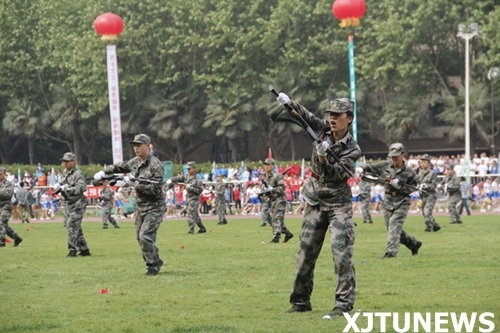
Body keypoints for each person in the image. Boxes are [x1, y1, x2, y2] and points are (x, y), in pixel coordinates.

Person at [277, 94, 359, 319]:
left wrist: (323, 158)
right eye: (330, 115)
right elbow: (304, 116)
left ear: (349, 118)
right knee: (305, 254)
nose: (332, 119)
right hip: (314, 200)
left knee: (341, 254)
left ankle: (343, 305)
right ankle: (300, 301)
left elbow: (334, 174)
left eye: (337, 115)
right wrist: (288, 102)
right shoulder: (321, 129)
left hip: (338, 204)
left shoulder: (353, 149)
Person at [95, 134, 166, 275]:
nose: (136, 148)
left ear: (148, 146)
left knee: (145, 236)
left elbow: (155, 189)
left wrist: (136, 185)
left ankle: (152, 266)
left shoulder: (156, 165)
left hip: (155, 206)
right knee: (140, 238)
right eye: (135, 145)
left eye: (139, 145)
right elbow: (119, 167)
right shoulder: (134, 162)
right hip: (140, 206)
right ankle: (155, 260)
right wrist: (104, 172)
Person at [361, 143, 422, 259]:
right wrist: (362, 167)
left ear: (403, 155)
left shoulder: (409, 172)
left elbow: (413, 187)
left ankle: (391, 253)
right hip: (388, 201)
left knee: (394, 224)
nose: (394, 159)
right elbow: (370, 167)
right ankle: (413, 243)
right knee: (392, 229)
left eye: (396, 156)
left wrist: (400, 187)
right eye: (392, 156)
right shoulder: (385, 166)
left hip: (402, 201)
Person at [53, 152, 91, 257]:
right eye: (63, 161)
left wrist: (69, 189)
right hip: (69, 203)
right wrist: (58, 186)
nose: (64, 164)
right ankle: (84, 250)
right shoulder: (65, 172)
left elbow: (82, 188)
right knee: (76, 227)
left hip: (78, 203)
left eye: (67, 161)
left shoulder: (78, 173)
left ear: (73, 161)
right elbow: (62, 183)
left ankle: (72, 250)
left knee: (71, 225)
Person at [167, 161, 207, 234]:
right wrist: (171, 179)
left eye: (189, 169)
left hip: (194, 199)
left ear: (194, 169)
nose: (188, 170)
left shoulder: (198, 179)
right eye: (187, 169)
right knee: (195, 215)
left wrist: (190, 188)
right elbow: (178, 178)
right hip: (188, 198)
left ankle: (191, 230)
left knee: (190, 213)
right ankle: (202, 228)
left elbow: (200, 190)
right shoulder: (186, 176)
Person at [260, 158, 294, 243]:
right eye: (265, 165)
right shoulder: (266, 177)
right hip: (272, 200)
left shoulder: (277, 176)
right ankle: (288, 233)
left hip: (280, 200)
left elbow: (282, 188)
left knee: (276, 219)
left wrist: (272, 189)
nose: (266, 167)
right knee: (278, 222)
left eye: (268, 165)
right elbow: (265, 188)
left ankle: (276, 238)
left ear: (273, 166)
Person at [417, 154, 441, 232]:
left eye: (425, 161)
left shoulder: (432, 173)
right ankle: (435, 225)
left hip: (430, 195)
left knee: (427, 212)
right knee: (424, 212)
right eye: (422, 162)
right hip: (423, 195)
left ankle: (429, 227)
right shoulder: (420, 173)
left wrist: (425, 186)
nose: (423, 163)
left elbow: (434, 185)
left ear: (429, 163)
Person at [0, 167, 23, 247]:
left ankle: (1, 241)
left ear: (4, 174)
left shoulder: (8, 184)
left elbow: (8, 195)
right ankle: (16, 237)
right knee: (4, 225)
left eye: (0, 174)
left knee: (1, 223)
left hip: (6, 206)